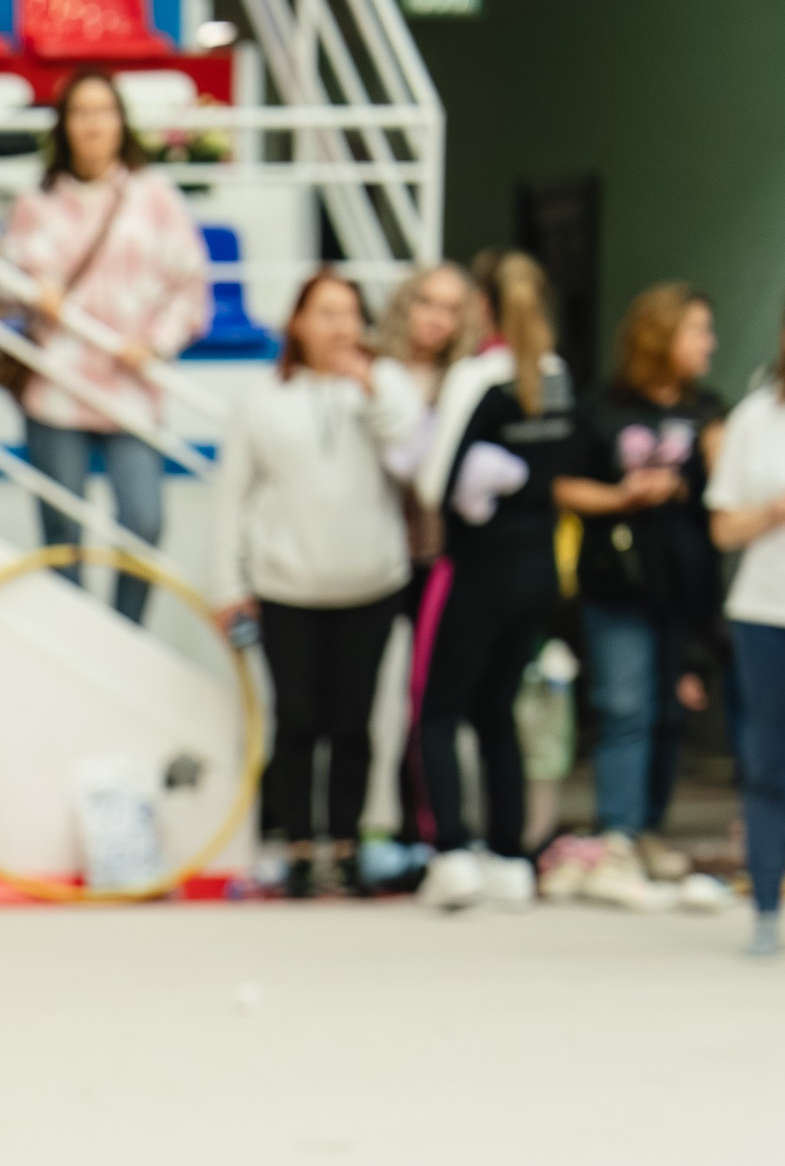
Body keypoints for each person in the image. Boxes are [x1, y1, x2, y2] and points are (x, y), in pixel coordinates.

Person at [212, 271, 423, 899]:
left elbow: (413, 452)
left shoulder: (386, 387)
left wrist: (371, 386)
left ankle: (351, 842)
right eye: (325, 313)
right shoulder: (261, 399)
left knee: (356, 723)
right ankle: (300, 845)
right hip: (286, 586)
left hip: (372, 583)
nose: (339, 327)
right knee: (297, 719)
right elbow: (231, 497)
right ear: (297, 323)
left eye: (350, 314)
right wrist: (227, 583)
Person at [4, 68, 210, 623]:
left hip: (131, 387)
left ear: (122, 122)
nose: (93, 124)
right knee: (62, 530)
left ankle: (126, 631)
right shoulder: (36, 201)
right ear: (63, 125)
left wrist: (157, 343)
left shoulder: (155, 197)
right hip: (56, 385)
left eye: (105, 111)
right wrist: (30, 291)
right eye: (81, 112)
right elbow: (4, 283)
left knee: (143, 520)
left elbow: (191, 286)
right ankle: (75, 636)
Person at [412, 252, 574, 911]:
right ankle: (510, 854)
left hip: (479, 567)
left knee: (438, 709)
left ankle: (452, 852)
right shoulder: (557, 373)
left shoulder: (477, 376)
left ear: (482, 306)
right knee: (497, 708)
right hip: (539, 565)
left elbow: (430, 482)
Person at [552, 283, 722, 908]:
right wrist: (625, 496)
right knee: (625, 705)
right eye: (698, 331)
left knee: (672, 711)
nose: (710, 345)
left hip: (683, 584)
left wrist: (684, 486)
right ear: (662, 335)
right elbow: (563, 486)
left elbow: (723, 494)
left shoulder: (709, 411)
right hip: (617, 581)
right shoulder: (603, 408)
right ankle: (617, 834)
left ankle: (649, 827)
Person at [705, 278, 785, 957]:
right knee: (766, 760)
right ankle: (767, 904)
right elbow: (722, 529)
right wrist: (776, 511)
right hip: (767, 610)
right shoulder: (756, 418)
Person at [371, 262, 481, 853]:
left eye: (451, 307)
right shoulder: (373, 371)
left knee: (427, 698)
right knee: (367, 697)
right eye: (426, 303)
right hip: (373, 551)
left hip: (437, 554)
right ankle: (365, 827)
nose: (436, 318)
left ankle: (427, 826)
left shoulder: (468, 382)